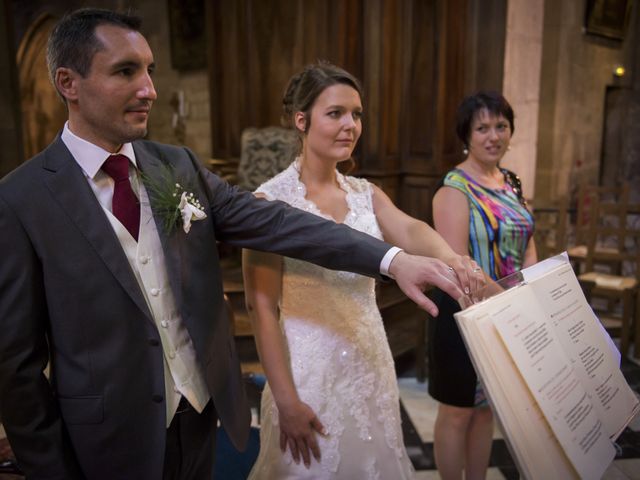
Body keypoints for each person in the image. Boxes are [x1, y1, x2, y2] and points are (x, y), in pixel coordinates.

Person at [0, 9, 478, 480]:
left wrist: (392, 260)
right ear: (69, 83)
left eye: (150, 70)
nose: (150, 89)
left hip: (200, 416)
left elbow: (282, 224)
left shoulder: (176, 167)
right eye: (126, 71)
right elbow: (16, 367)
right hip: (107, 440)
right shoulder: (20, 201)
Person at [243, 63, 484, 479]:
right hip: (307, 372)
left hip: (369, 361)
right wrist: (285, 400)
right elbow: (260, 306)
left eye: (356, 114)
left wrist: (453, 258)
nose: (350, 125)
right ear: (302, 120)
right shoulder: (268, 203)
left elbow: (410, 228)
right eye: (335, 113)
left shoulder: (365, 193)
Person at [428, 91, 537, 480]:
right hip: (464, 314)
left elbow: (527, 241)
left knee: (490, 407)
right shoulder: (454, 188)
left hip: (510, 311)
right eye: (482, 128)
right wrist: (507, 299)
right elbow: (457, 262)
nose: (494, 136)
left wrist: (533, 287)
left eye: (501, 126)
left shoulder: (511, 182)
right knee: (458, 411)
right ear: (467, 136)